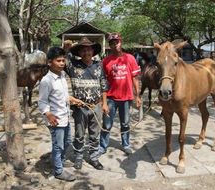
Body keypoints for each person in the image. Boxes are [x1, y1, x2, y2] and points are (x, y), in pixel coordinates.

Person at [38, 47, 82, 181]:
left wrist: (72, 99)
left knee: (67, 141)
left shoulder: (62, 75)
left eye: (63, 60)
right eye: (59, 61)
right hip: (55, 119)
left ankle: (60, 162)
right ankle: (58, 171)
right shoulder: (46, 80)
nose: (62, 63)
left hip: (65, 117)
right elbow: (42, 101)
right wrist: (48, 114)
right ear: (50, 62)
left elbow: (63, 95)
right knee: (58, 145)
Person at [66, 37, 108, 170]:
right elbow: (60, 58)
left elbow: (103, 86)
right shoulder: (72, 65)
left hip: (96, 106)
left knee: (94, 134)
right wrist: (66, 47)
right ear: (79, 53)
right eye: (83, 50)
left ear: (92, 52)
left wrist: (105, 104)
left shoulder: (98, 65)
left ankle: (93, 157)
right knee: (79, 134)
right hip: (80, 107)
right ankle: (78, 157)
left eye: (88, 50)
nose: (86, 53)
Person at [98, 33, 141, 156]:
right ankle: (103, 146)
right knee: (107, 123)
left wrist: (137, 96)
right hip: (111, 98)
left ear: (120, 42)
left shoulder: (130, 58)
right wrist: (104, 101)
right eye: (112, 43)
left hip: (126, 98)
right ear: (109, 46)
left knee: (125, 123)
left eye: (116, 42)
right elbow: (103, 82)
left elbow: (135, 78)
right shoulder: (106, 61)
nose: (114, 44)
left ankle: (126, 144)